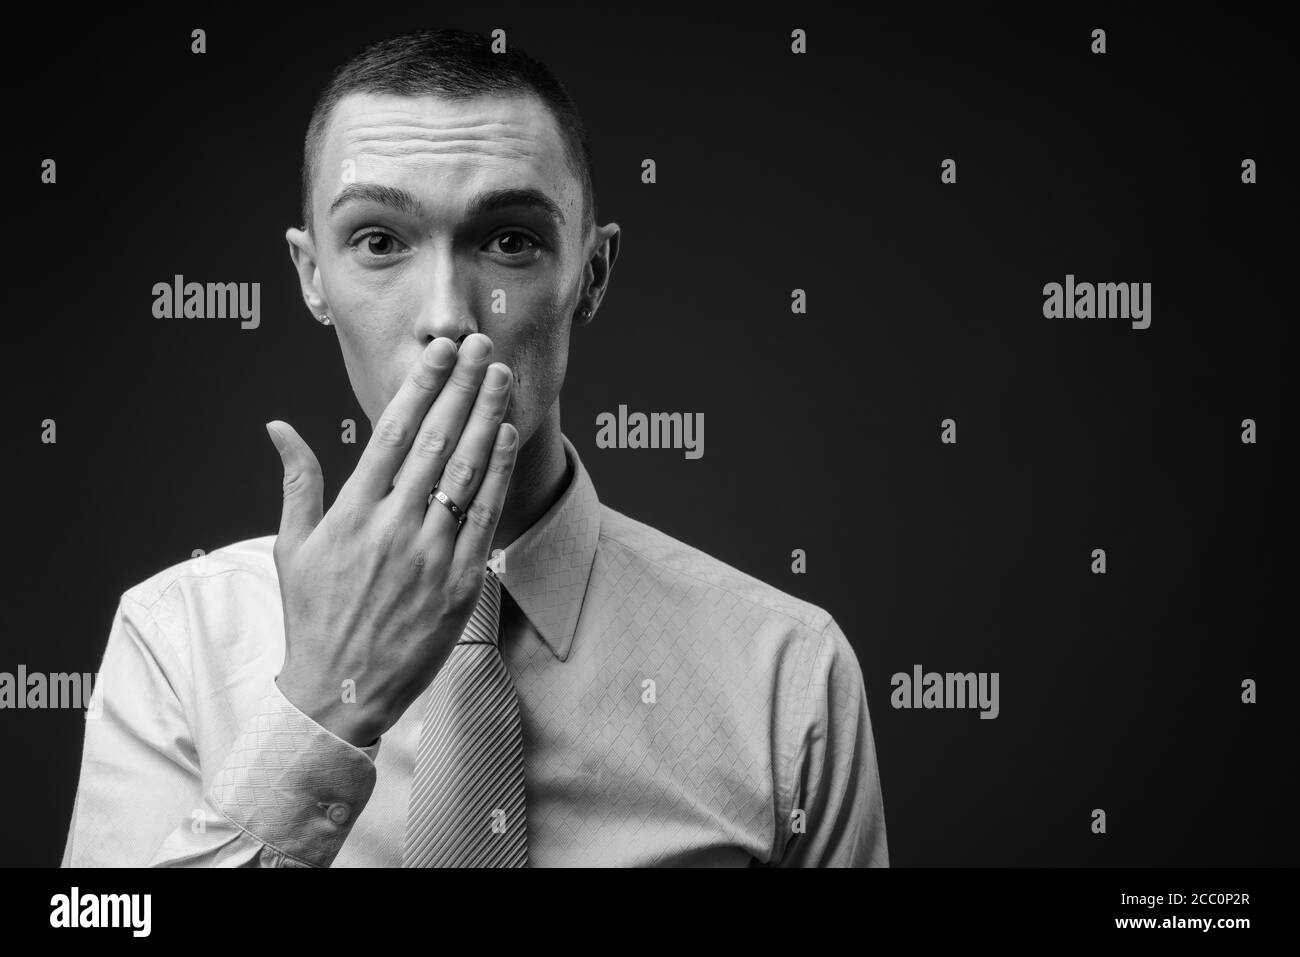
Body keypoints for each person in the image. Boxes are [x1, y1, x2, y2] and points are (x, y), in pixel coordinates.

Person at [61, 27, 889, 867]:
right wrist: (321, 708)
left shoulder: (787, 676)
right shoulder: (174, 641)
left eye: (510, 241)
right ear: (313, 277)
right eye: (379, 241)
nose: (450, 315)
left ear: (591, 275)